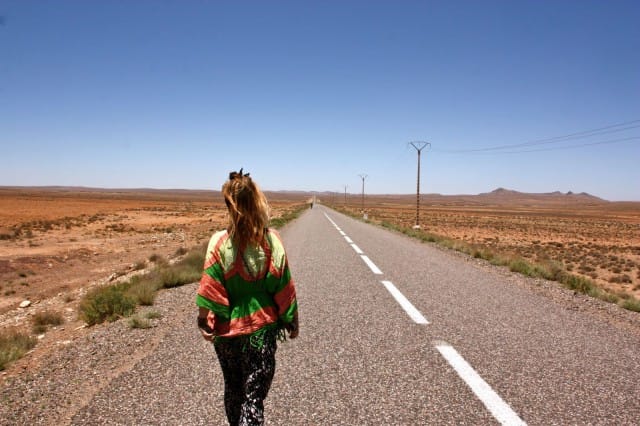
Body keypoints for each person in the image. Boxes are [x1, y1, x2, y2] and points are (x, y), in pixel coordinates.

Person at [196, 169, 299, 426]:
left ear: (228, 205)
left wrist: (203, 320)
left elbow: (210, 285)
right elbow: (283, 284)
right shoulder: (271, 240)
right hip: (261, 330)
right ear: (256, 201)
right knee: (253, 397)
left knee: (233, 389)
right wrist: (292, 319)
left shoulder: (218, 242)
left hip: (227, 331)